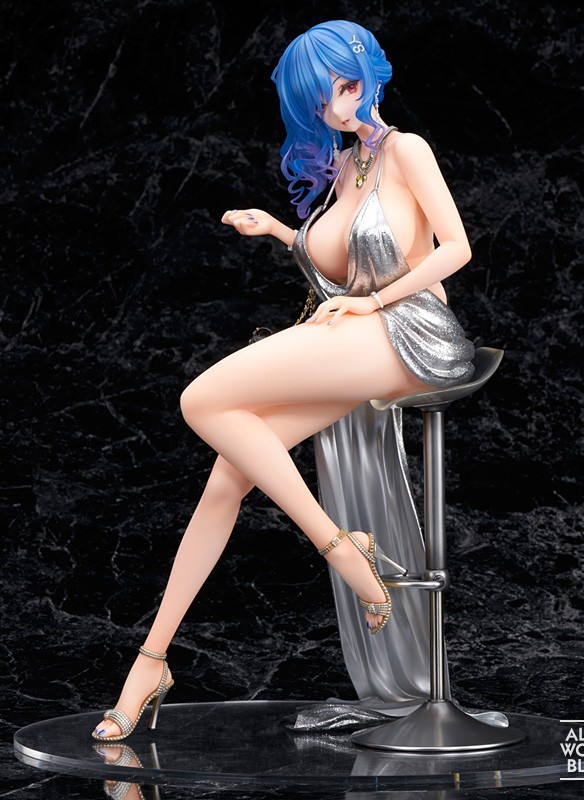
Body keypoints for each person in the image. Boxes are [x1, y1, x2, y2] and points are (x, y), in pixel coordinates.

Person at [92, 19, 474, 741]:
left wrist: (373, 302)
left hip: (413, 334)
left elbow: (456, 249)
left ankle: (342, 549)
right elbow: (337, 264)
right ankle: (150, 662)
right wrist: (277, 230)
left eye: (348, 87)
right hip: (361, 334)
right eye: (323, 100)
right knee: (226, 477)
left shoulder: (407, 150)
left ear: (370, 75)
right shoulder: (348, 166)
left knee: (201, 399)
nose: (339, 107)